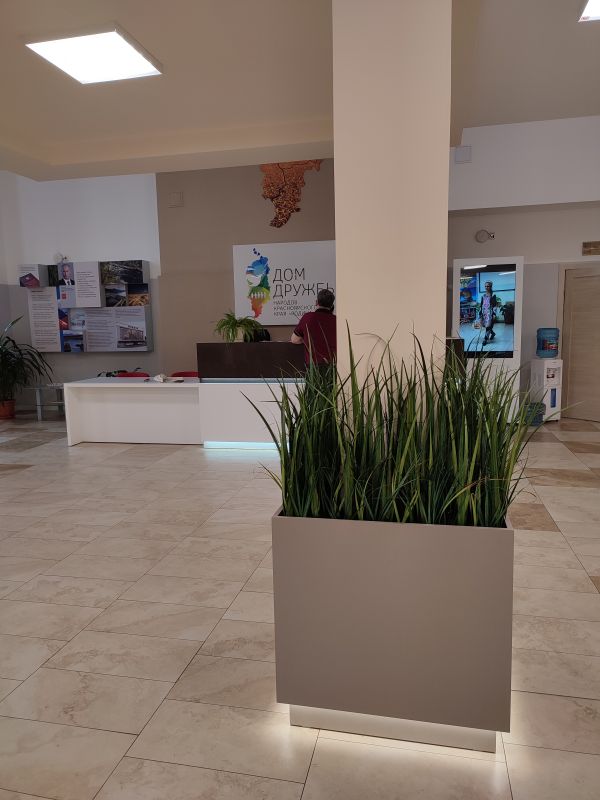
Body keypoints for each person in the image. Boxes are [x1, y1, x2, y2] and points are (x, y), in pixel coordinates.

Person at [291, 288, 336, 365]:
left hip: (313, 367)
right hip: (332, 365)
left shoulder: (307, 317)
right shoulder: (336, 320)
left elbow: (294, 340)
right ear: (332, 305)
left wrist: (306, 340)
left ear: (316, 302)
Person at [478, 280, 498, 345]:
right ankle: (493, 333)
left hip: (490, 314)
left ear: (491, 287)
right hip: (484, 313)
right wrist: (480, 312)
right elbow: (481, 305)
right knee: (486, 325)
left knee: (488, 326)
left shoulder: (493, 295)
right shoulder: (483, 295)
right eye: (485, 286)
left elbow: (494, 305)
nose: (486, 287)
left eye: (488, 286)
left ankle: (485, 339)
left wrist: (494, 314)